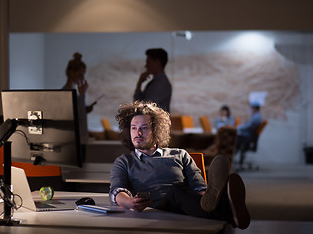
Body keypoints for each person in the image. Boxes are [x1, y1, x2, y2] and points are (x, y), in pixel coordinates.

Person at [109, 101, 251, 229]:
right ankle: (228, 209)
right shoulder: (124, 161)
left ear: (156, 130)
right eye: (134, 128)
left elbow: (198, 186)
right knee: (176, 191)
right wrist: (130, 203)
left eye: (144, 128)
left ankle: (222, 202)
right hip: (156, 209)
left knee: (182, 191)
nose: (138, 133)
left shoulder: (180, 154)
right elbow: (116, 191)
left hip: (186, 206)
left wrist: (205, 195)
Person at [133, 48, 172, 113]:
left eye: (148, 62)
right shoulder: (154, 83)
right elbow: (137, 104)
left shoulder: (162, 84)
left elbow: (144, 108)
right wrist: (139, 83)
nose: (146, 65)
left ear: (157, 63)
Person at [235, 101, 263, 167]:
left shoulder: (256, 117)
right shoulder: (255, 116)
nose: (250, 108)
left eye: (251, 107)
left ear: (255, 108)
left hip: (247, 137)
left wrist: (238, 128)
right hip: (248, 136)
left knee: (236, 140)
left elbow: (247, 126)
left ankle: (233, 155)